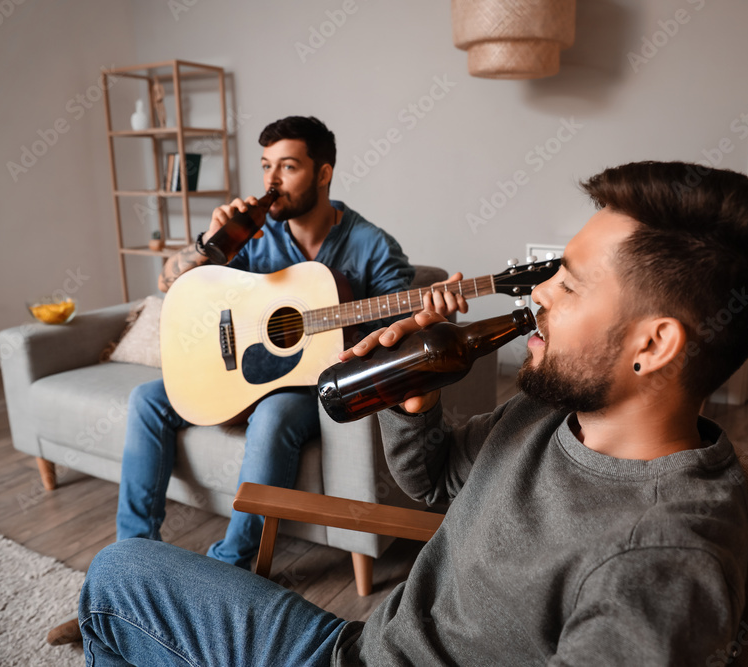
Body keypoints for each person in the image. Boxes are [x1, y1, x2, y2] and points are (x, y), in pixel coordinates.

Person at [75, 161, 748, 665]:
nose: (542, 294)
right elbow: (434, 481)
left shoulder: (661, 559)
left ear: (653, 344)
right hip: (359, 645)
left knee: (114, 600)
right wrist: (414, 404)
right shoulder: (552, 410)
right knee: (118, 571)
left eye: (573, 284)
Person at [47, 115, 467, 646]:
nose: (271, 181)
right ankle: (131, 571)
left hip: (307, 384)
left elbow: (398, 331)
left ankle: (229, 570)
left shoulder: (372, 245)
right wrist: (208, 242)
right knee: (148, 399)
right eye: (266, 166)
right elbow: (171, 284)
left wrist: (424, 315)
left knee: (272, 417)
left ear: (323, 173)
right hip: (244, 371)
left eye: (287, 167)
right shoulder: (255, 234)